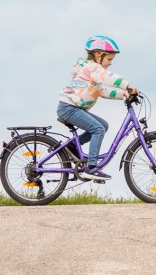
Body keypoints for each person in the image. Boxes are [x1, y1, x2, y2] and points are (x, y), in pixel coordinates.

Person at [57, 35, 139, 181]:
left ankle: (70, 147)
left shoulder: (92, 72)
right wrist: (127, 85)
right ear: (97, 55)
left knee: (103, 125)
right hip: (69, 108)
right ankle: (92, 167)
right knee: (98, 129)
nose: (110, 63)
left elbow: (102, 91)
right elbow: (109, 77)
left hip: (73, 108)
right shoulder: (92, 68)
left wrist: (123, 94)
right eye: (109, 59)